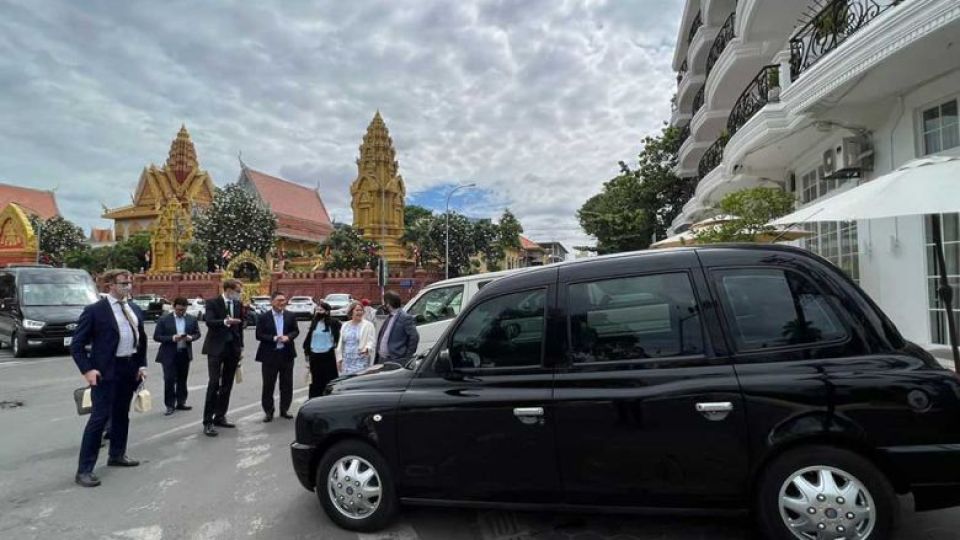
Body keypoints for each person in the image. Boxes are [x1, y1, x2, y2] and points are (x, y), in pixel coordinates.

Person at [71, 269, 148, 488]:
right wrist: (88, 370)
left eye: (130, 283)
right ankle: (85, 469)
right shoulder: (96, 311)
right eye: (123, 283)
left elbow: (140, 339)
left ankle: (117, 454)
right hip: (105, 371)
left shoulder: (133, 308)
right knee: (99, 419)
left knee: (122, 415)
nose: (128, 287)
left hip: (128, 367)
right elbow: (77, 345)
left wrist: (141, 365)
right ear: (110, 286)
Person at [201, 279, 245, 437]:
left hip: (232, 348)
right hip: (216, 348)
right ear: (228, 290)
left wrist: (241, 347)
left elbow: (240, 327)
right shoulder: (213, 302)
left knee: (227, 384)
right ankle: (208, 421)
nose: (239, 295)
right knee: (214, 383)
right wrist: (225, 322)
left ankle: (220, 416)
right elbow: (210, 321)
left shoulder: (238, 305)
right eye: (238, 291)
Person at [153, 297, 202, 416]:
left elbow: (197, 333)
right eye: (179, 310)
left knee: (182, 379)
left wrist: (191, 338)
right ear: (174, 307)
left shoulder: (191, 319)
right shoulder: (164, 319)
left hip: (184, 352)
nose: (181, 312)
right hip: (169, 354)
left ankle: (181, 401)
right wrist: (172, 338)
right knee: (169, 379)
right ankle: (170, 404)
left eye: (183, 310)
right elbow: (157, 336)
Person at [255, 291, 299, 422]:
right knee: (268, 385)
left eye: (284, 300)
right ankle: (268, 411)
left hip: (286, 354)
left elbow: (296, 331)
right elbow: (259, 335)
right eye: (279, 300)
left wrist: (288, 337)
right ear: (272, 302)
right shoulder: (264, 317)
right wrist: (274, 338)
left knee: (287, 384)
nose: (282, 303)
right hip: (269, 355)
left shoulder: (290, 316)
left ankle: (284, 409)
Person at [302, 301, 341, 398]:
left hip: (328, 356)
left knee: (329, 381)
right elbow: (309, 339)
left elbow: (339, 338)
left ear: (327, 312)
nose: (318, 312)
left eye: (321, 310)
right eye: (317, 310)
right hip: (315, 356)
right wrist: (307, 354)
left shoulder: (334, 323)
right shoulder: (314, 323)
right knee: (315, 382)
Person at [375, 290, 420, 364]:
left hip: (395, 360)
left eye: (384, 302)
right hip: (382, 359)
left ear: (388, 303)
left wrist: (407, 357)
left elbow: (414, 337)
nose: (383, 305)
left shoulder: (405, 317)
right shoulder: (390, 316)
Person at [336, 301, 376, 376]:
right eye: (357, 310)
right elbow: (340, 344)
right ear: (351, 312)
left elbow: (372, 341)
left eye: (361, 310)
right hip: (346, 362)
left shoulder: (368, 325)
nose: (360, 312)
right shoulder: (345, 325)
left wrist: (367, 348)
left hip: (361, 361)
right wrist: (339, 360)